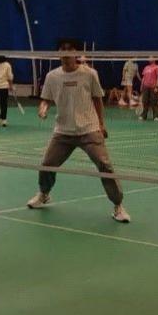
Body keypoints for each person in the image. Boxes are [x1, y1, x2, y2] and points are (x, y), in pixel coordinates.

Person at [27, 40, 130, 223]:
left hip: (89, 129)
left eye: (70, 49)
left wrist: (101, 124)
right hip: (63, 131)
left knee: (105, 165)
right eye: (63, 49)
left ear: (76, 52)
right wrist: (43, 108)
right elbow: (46, 99)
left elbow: (97, 99)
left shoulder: (89, 74)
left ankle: (118, 206)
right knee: (47, 164)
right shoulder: (52, 76)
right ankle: (44, 194)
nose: (66, 53)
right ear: (58, 53)